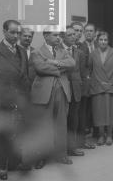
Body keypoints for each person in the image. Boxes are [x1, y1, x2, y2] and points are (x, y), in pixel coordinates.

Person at [0, 20, 31, 180]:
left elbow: (24, 76)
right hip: (3, 101)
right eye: (13, 32)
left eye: (18, 33)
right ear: (4, 31)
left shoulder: (22, 51)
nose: (16, 36)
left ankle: (15, 163)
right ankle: (0, 167)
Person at [30, 29, 76, 168]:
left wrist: (53, 61)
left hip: (62, 91)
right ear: (46, 36)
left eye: (59, 35)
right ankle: (41, 156)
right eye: (55, 35)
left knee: (61, 124)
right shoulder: (36, 52)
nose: (58, 38)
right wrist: (60, 68)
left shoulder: (63, 50)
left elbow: (72, 63)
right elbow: (40, 68)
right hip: (44, 93)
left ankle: (61, 155)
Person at [89, 31, 113, 146]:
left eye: (105, 40)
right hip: (97, 87)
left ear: (109, 41)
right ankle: (100, 135)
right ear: (97, 41)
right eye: (101, 40)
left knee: (110, 112)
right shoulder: (93, 53)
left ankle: (109, 135)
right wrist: (94, 83)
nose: (103, 42)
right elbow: (90, 70)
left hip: (111, 86)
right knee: (99, 112)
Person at [60, 26, 87, 157]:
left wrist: (82, 90)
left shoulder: (79, 53)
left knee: (73, 119)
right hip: (62, 89)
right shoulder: (57, 50)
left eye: (74, 34)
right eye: (69, 35)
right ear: (63, 37)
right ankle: (61, 149)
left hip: (76, 90)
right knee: (61, 119)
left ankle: (72, 147)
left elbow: (82, 74)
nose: (73, 36)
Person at [77, 23, 97, 141]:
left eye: (91, 31)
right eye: (87, 31)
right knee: (84, 109)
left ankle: (96, 132)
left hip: (97, 81)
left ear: (95, 33)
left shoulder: (99, 45)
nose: (89, 33)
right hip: (85, 81)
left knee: (95, 107)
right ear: (84, 33)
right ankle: (83, 134)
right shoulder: (80, 46)